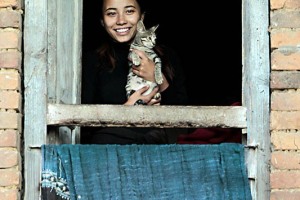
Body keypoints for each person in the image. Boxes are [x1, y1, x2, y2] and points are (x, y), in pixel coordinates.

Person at [81, 0, 189, 144]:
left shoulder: (167, 56)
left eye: (129, 11)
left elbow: (185, 119)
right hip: (110, 146)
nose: (121, 20)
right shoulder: (92, 61)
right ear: (102, 21)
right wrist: (126, 111)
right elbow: (82, 127)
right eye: (111, 13)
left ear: (141, 18)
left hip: (159, 145)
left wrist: (157, 77)